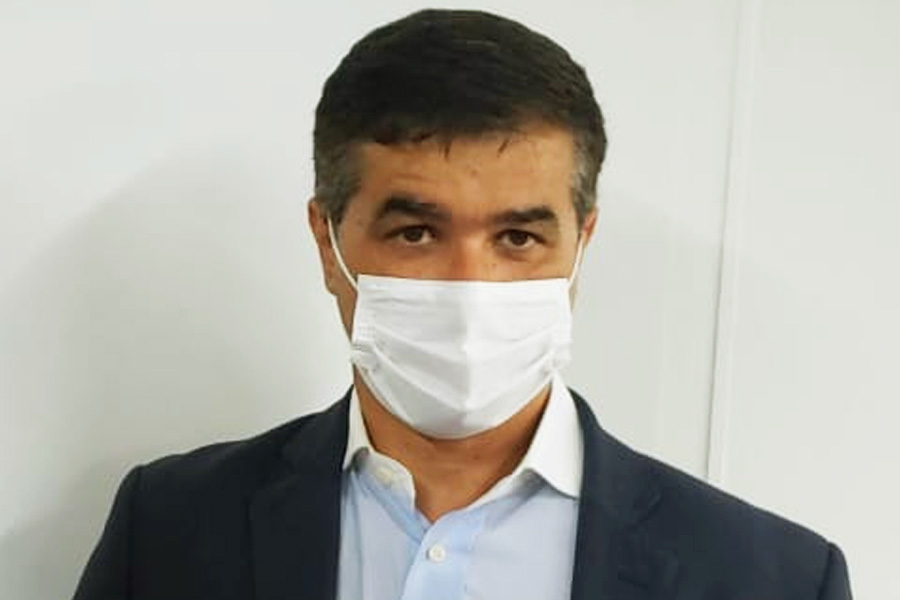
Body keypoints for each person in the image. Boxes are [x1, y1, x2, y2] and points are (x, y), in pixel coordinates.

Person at [73, 9, 852, 600]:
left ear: (581, 244)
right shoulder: (170, 531)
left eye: (517, 238)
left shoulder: (770, 579)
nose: (469, 284)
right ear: (327, 243)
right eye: (415, 233)